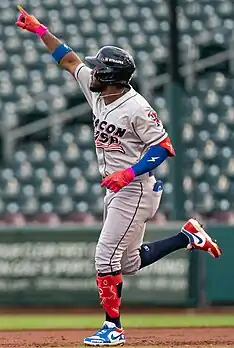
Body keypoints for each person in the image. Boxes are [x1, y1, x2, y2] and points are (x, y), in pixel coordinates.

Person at [15, 6, 222, 346]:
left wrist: (129, 173)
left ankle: (113, 327)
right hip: (118, 188)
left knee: (104, 257)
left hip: (135, 188)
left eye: (97, 67)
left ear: (109, 77)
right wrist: (40, 30)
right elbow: (67, 59)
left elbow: (164, 147)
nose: (91, 69)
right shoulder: (96, 90)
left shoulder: (137, 107)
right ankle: (187, 237)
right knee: (126, 262)